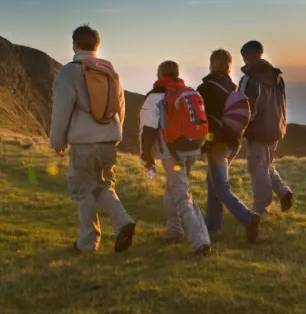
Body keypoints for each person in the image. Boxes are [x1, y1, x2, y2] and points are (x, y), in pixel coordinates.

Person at [49, 25, 136, 253]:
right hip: (108, 141)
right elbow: (121, 108)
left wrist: (58, 142)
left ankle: (88, 241)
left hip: (83, 143)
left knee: (83, 189)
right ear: (97, 45)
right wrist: (114, 136)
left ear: (75, 45)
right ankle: (123, 221)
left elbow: (61, 110)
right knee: (104, 184)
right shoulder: (110, 71)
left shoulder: (69, 72)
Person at [140, 60, 212, 255]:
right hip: (192, 148)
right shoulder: (187, 92)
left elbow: (148, 131)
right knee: (173, 190)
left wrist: (147, 157)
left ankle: (200, 241)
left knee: (182, 195)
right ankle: (174, 231)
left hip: (172, 154)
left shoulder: (154, 97)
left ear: (159, 75)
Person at [198, 49, 260, 243]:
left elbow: (204, 120)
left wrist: (204, 144)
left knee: (221, 187)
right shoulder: (233, 87)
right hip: (234, 142)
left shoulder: (206, 88)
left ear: (212, 63)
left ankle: (248, 218)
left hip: (218, 143)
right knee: (213, 182)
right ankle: (213, 226)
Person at [239, 40, 293, 216]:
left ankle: (261, 209)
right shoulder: (277, 77)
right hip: (275, 129)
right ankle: (283, 191)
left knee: (257, 168)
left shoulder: (249, 79)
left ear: (247, 57)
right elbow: (282, 104)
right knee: (267, 164)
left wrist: (241, 129)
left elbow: (245, 108)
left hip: (257, 131)